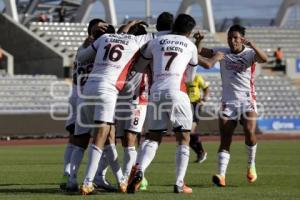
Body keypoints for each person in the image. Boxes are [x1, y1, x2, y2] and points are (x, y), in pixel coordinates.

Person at [126, 14, 224, 194]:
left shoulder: (156, 42)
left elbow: (139, 67)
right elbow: (191, 77)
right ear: (189, 31)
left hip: (155, 93)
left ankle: (139, 170)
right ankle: (179, 183)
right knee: (183, 137)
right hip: (177, 92)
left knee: (153, 136)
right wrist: (214, 56)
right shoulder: (190, 45)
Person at [75, 20, 146, 195]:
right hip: (107, 90)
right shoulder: (135, 42)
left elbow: (81, 57)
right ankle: (88, 182)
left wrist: (92, 35)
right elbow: (159, 36)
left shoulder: (105, 38)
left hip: (88, 90)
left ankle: (121, 180)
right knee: (101, 138)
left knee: (108, 139)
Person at [200, 24, 268, 187]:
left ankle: (251, 164)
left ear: (242, 39)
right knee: (225, 139)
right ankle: (221, 175)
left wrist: (252, 44)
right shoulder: (222, 52)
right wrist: (198, 42)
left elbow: (264, 59)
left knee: (249, 130)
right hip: (228, 102)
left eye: (236, 38)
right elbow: (201, 52)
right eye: (230, 37)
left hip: (247, 100)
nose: (232, 41)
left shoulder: (250, 53)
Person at [115, 12, 174, 192]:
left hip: (139, 97)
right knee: (125, 139)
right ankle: (136, 175)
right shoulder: (128, 48)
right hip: (122, 97)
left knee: (131, 137)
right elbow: (119, 38)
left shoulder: (148, 44)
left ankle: (127, 179)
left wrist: (128, 25)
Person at [61, 19, 117, 192]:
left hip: (78, 96)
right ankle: (97, 176)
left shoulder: (83, 49)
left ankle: (70, 176)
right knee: (106, 137)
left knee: (76, 139)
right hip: (92, 97)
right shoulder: (98, 50)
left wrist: (92, 33)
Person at [186, 73, 209, 163]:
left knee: (190, 131)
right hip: (185, 105)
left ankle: (201, 152)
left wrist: (204, 99)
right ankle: (200, 152)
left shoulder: (197, 77)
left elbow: (206, 88)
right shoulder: (183, 77)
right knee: (185, 135)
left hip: (195, 105)